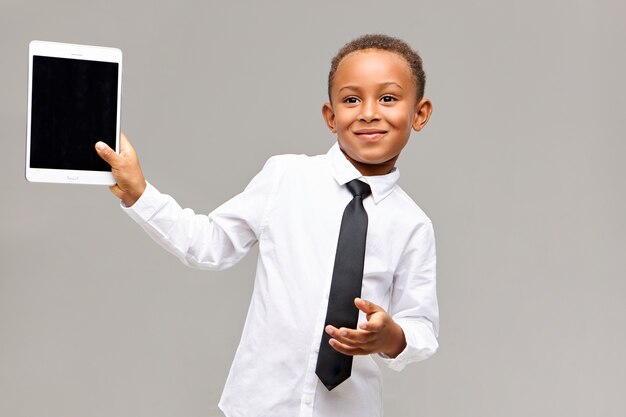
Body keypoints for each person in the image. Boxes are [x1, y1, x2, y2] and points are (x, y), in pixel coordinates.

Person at [95, 33, 438, 417]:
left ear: (419, 113)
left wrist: (391, 337)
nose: (369, 112)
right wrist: (140, 193)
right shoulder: (286, 177)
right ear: (330, 115)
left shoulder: (414, 226)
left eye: (388, 98)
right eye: (351, 99)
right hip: (259, 404)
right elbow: (210, 244)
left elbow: (421, 325)